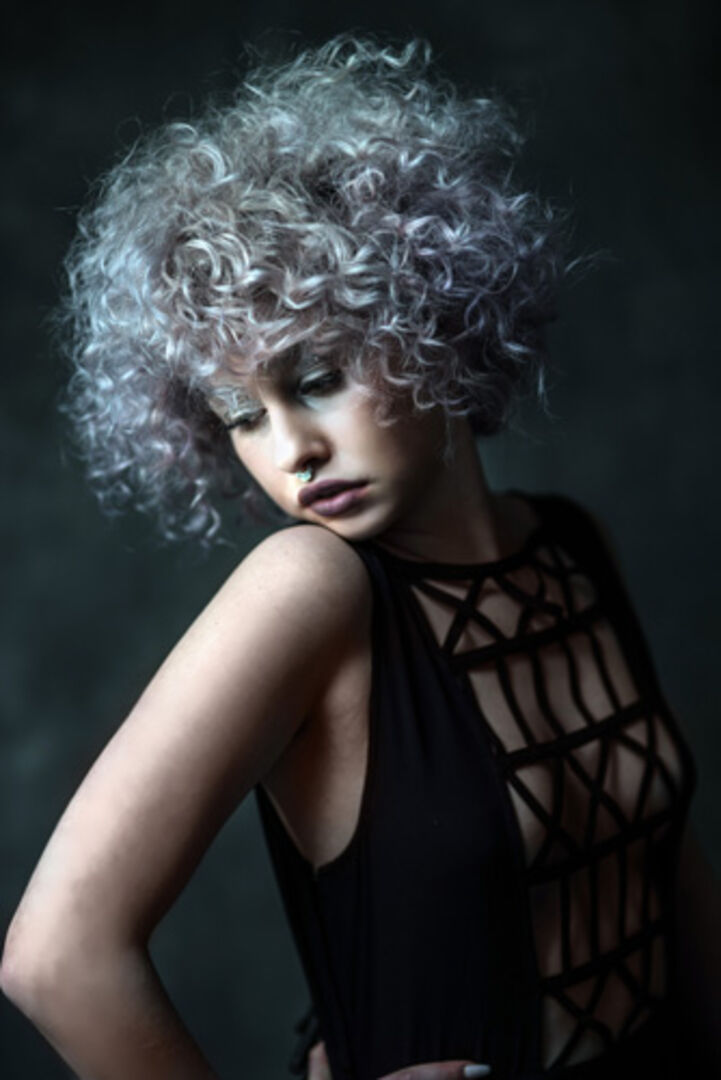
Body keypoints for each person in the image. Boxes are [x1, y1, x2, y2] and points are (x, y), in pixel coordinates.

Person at [1, 34, 717, 1080]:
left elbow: (667, 875)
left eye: (317, 378)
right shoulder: (308, 589)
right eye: (242, 415)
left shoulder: (572, 545)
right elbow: (56, 958)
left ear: (432, 317)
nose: (291, 451)